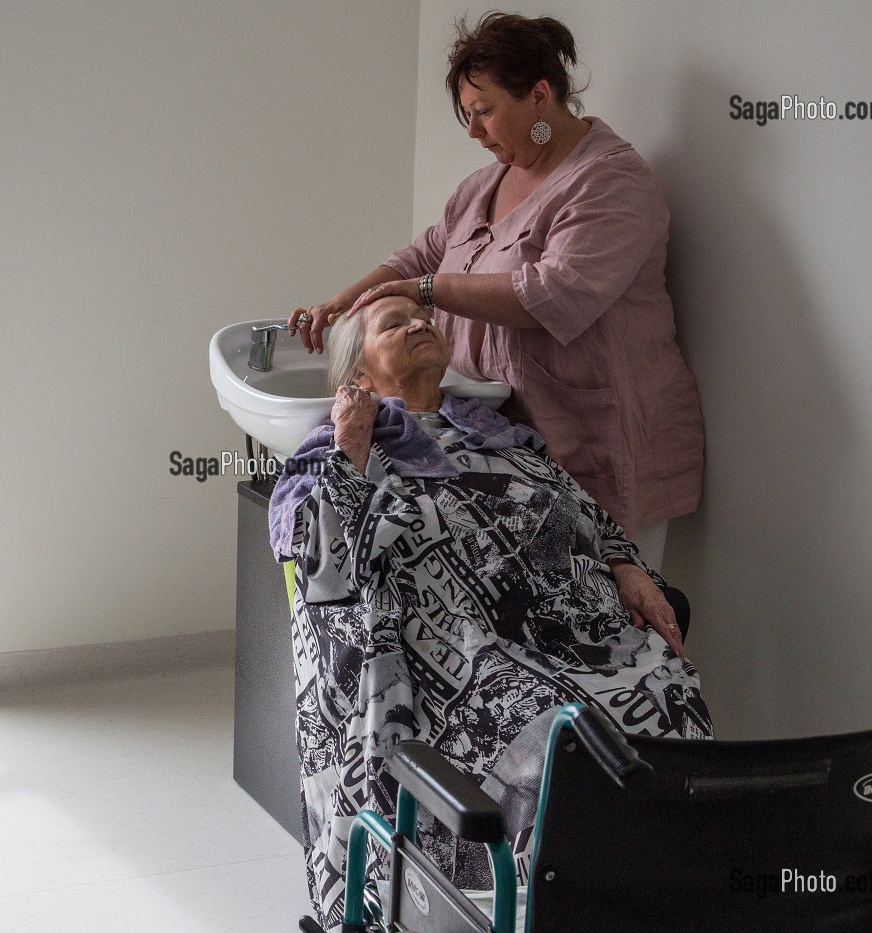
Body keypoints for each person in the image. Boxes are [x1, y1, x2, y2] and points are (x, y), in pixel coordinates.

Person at [269, 295, 713, 930]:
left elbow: (584, 515)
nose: (420, 324)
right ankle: (546, 909)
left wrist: (625, 565)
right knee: (550, 740)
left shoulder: (502, 438)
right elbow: (326, 577)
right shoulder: (332, 453)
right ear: (357, 376)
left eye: (421, 318)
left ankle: (656, 898)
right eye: (393, 325)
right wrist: (352, 450)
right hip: (457, 662)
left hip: (569, 636)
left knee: (671, 691)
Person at [287, 12, 703, 569]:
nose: (474, 132)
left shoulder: (611, 182)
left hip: (601, 435)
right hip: (515, 441)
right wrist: (344, 302)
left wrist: (427, 291)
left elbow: (554, 292)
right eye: (469, 114)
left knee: (615, 608)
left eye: (485, 111)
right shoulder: (484, 185)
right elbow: (421, 255)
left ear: (538, 96)